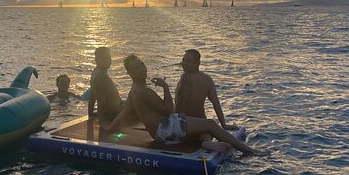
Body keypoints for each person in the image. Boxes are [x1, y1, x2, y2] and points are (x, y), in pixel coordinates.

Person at [105, 54, 264, 156]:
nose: (142, 69)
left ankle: (206, 143)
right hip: (164, 129)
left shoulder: (134, 90)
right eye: (137, 68)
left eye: (142, 65)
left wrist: (110, 129)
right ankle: (248, 150)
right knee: (209, 124)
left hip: (160, 132)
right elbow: (168, 111)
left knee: (199, 125)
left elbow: (125, 111)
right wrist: (166, 87)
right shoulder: (145, 92)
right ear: (129, 73)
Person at [175, 49, 237, 130]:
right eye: (183, 60)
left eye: (188, 61)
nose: (184, 64)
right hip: (201, 121)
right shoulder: (207, 79)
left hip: (186, 122)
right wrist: (224, 125)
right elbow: (216, 103)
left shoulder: (185, 77)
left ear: (198, 63)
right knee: (205, 138)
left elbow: (180, 106)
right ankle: (207, 141)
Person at [88, 47, 124, 121]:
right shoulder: (101, 77)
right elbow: (101, 100)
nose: (108, 61)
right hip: (113, 113)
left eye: (109, 58)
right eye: (104, 58)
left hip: (114, 109)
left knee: (129, 102)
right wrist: (103, 123)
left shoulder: (95, 73)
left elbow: (92, 95)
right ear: (96, 60)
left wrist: (90, 113)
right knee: (138, 104)